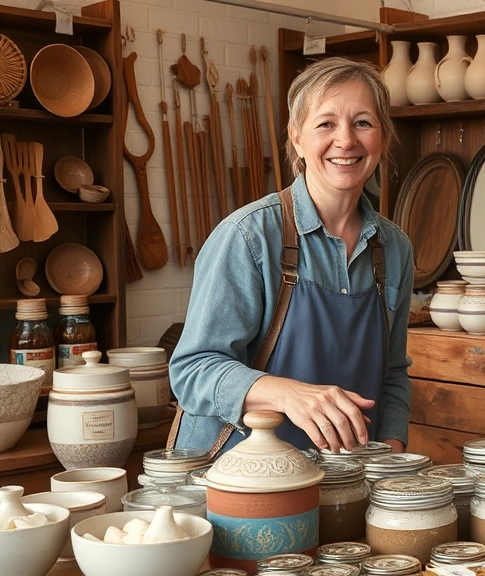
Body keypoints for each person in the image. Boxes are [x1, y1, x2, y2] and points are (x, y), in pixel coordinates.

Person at [168, 57, 413, 456]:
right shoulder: (248, 236)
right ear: (297, 137)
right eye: (326, 124)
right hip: (241, 484)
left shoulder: (395, 248)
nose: (346, 140)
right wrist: (288, 395)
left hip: (344, 484)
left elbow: (393, 375)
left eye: (363, 122)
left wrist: (389, 456)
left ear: (382, 136)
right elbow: (192, 370)